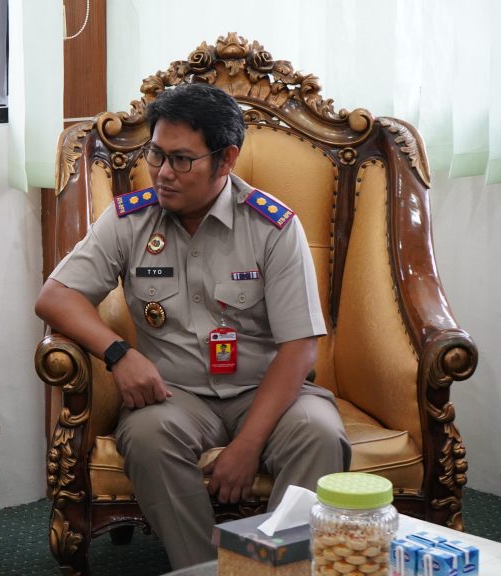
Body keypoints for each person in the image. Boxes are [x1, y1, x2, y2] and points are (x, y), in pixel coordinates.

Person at [34, 83, 349, 569]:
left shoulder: (273, 227)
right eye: (156, 154)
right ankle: (202, 569)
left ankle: (279, 570)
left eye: (181, 160)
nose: (162, 172)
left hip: (266, 390)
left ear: (226, 160)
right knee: (148, 437)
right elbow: (55, 297)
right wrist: (120, 353)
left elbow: (299, 348)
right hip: (174, 395)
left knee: (321, 434)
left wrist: (247, 446)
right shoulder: (130, 220)